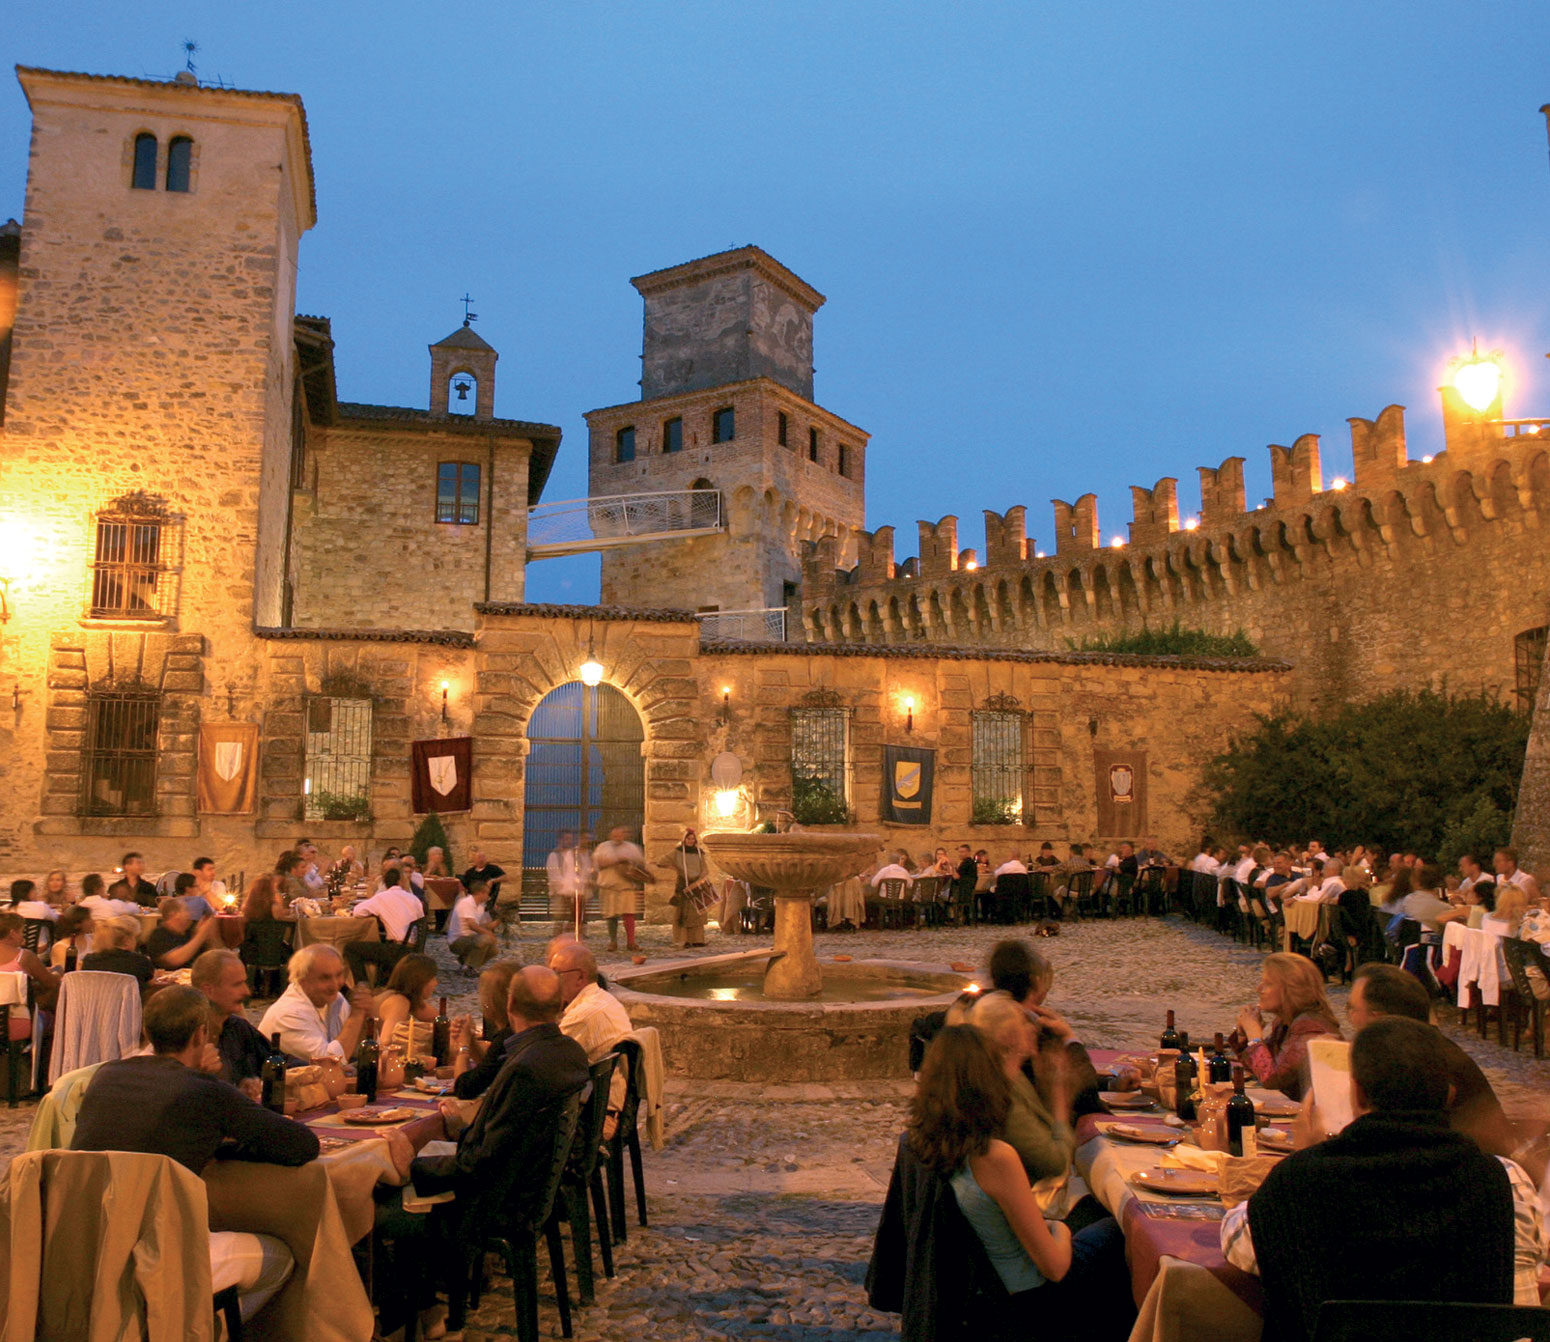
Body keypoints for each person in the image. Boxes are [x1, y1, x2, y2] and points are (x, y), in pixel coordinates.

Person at [1221, 1017, 1546, 1340]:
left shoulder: (1302, 1181)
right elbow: (1515, 1311)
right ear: (1449, 1096)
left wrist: (1304, 1157)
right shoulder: (1503, 1181)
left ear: (1358, 1094)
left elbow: (1238, 1242)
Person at [396, 967, 591, 1336]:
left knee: (390, 1203)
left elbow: (480, 1164)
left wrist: (412, 1167)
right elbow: (505, 1139)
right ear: (560, 1005)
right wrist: (463, 1132)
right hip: (531, 1189)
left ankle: (405, 1313)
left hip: (499, 1202)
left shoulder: (525, 1067)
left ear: (510, 1003)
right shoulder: (568, 1051)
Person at [905, 1025, 1133, 1341]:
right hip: (1025, 1299)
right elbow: (1055, 1267)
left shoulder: (924, 1142)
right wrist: (1060, 1229)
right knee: (1120, 1229)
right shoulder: (994, 1156)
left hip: (980, 1290)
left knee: (1093, 1218)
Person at [73, 985, 318, 1172]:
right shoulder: (206, 1091)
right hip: (156, 1219)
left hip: (85, 1214)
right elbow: (303, 1144)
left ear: (147, 1032)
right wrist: (225, 1146)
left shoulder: (105, 1075)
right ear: (201, 1035)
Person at [968, 990, 1073, 1186]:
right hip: (1027, 1191)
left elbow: (1042, 1129)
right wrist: (1059, 1095)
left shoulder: (1012, 1075)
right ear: (1007, 1036)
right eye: (1024, 1022)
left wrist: (1045, 1082)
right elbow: (1056, 1163)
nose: (1033, 1027)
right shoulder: (1003, 1094)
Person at [1231, 952, 1342, 1099]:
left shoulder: (1310, 1028)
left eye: (1268, 984)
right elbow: (1259, 1068)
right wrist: (1243, 1035)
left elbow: (1272, 1078)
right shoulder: (1284, 1022)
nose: (1259, 988)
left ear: (1290, 990)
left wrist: (1254, 1036)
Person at [550, 939, 632, 1120]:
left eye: (556, 973)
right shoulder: (602, 998)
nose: (551, 981)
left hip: (597, 1115)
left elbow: (547, 1063)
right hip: (607, 1103)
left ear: (580, 977)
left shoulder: (584, 1015)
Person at [259, 944, 376, 1063]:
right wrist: (356, 1015)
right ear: (302, 980)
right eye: (325, 978)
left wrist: (366, 1019)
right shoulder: (288, 1015)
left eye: (339, 975)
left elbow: (358, 1049)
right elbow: (330, 1062)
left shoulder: (335, 999)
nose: (335, 984)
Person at [192, 948, 270, 1093]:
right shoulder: (184, 1040)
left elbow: (278, 1061)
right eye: (237, 984)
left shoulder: (238, 1027)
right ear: (208, 990)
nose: (246, 992)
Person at [450, 959, 521, 1099]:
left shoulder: (507, 1038)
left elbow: (464, 1088)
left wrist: (463, 1047)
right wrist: (471, 1041)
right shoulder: (520, 1030)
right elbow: (488, 1070)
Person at [345, 866, 424, 986]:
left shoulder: (382, 897)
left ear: (385, 883)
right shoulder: (414, 899)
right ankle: (379, 981)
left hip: (397, 950)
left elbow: (357, 911)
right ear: (400, 881)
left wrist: (376, 913)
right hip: (415, 947)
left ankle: (363, 985)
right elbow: (421, 919)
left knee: (351, 948)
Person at [0, 912, 60, 1036]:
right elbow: (51, 983)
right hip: (13, 1025)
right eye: (21, 932)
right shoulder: (24, 957)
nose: (24, 939)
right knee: (57, 992)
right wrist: (57, 972)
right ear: (12, 933)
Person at [376, 952, 440, 1060]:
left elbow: (438, 1018)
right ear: (419, 981)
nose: (436, 983)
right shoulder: (399, 1002)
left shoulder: (405, 998)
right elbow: (387, 1042)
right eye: (432, 978)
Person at [594, 826, 647, 952]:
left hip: (626, 887)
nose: (618, 837)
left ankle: (631, 942)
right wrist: (615, 862)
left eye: (621, 834)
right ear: (611, 835)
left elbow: (640, 864)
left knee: (629, 914)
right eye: (615, 834)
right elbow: (597, 864)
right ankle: (613, 942)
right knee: (611, 916)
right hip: (609, 886)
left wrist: (631, 868)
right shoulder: (603, 847)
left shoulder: (631, 848)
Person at [659, 829, 710, 948]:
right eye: (688, 838)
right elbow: (661, 862)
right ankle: (683, 939)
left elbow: (705, 869)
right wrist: (677, 869)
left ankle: (697, 939)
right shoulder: (677, 852)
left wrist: (699, 880)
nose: (690, 841)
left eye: (692, 839)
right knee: (683, 913)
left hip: (697, 885)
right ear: (684, 839)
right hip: (683, 885)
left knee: (697, 913)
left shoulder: (699, 852)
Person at [145, 896, 223, 971]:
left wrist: (212, 934)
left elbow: (214, 956)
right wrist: (201, 935)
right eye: (185, 910)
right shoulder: (159, 935)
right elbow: (174, 961)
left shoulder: (191, 930)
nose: (190, 914)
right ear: (173, 914)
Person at [80, 914, 155, 985]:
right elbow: (149, 982)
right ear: (127, 941)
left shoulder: (89, 961)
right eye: (135, 938)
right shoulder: (140, 961)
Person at [447, 878, 499, 972]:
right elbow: (472, 925)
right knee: (485, 939)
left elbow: (483, 926)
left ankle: (466, 962)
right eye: (487, 894)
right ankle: (469, 967)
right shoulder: (466, 903)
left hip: (471, 938)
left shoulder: (480, 906)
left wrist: (500, 920)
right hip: (458, 940)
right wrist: (489, 934)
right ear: (480, 893)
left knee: (493, 950)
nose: (488, 896)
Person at [545, 832, 588, 938]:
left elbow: (580, 871)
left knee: (574, 916)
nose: (569, 841)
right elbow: (554, 874)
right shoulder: (554, 855)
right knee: (560, 916)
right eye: (566, 839)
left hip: (574, 891)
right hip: (560, 891)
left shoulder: (575, 855)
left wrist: (578, 885)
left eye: (570, 839)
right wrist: (564, 887)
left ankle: (573, 936)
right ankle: (558, 936)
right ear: (560, 840)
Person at [460, 847, 507, 913]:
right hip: (473, 899)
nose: (481, 859)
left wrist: (493, 880)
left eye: (483, 857)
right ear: (474, 860)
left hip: (487, 899)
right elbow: (464, 886)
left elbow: (505, 877)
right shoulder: (469, 872)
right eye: (479, 857)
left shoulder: (493, 869)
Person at [47, 905, 94, 970]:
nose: (93, 922)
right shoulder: (61, 947)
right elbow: (69, 972)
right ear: (77, 924)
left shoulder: (92, 940)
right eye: (88, 919)